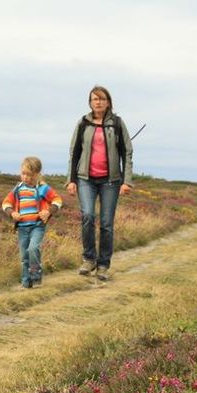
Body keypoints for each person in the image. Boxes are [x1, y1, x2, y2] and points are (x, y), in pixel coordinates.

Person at [66, 85, 133, 282]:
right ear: (90, 102)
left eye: (102, 99)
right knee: (87, 216)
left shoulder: (117, 123)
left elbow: (127, 153)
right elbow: (74, 153)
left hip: (110, 182)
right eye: (95, 99)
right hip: (85, 179)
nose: (98, 102)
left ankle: (103, 265)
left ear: (108, 102)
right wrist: (70, 180)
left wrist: (127, 181)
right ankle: (89, 259)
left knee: (106, 224)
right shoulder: (83, 123)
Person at [1, 156, 63, 288]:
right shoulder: (18, 188)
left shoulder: (43, 188)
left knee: (33, 249)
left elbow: (58, 200)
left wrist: (49, 211)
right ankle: (26, 282)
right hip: (22, 228)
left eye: (29, 175)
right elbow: (6, 203)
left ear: (37, 174)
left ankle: (35, 276)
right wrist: (12, 213)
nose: (25, 177)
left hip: (37, 226)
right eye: (23, 173)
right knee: (24, 256)